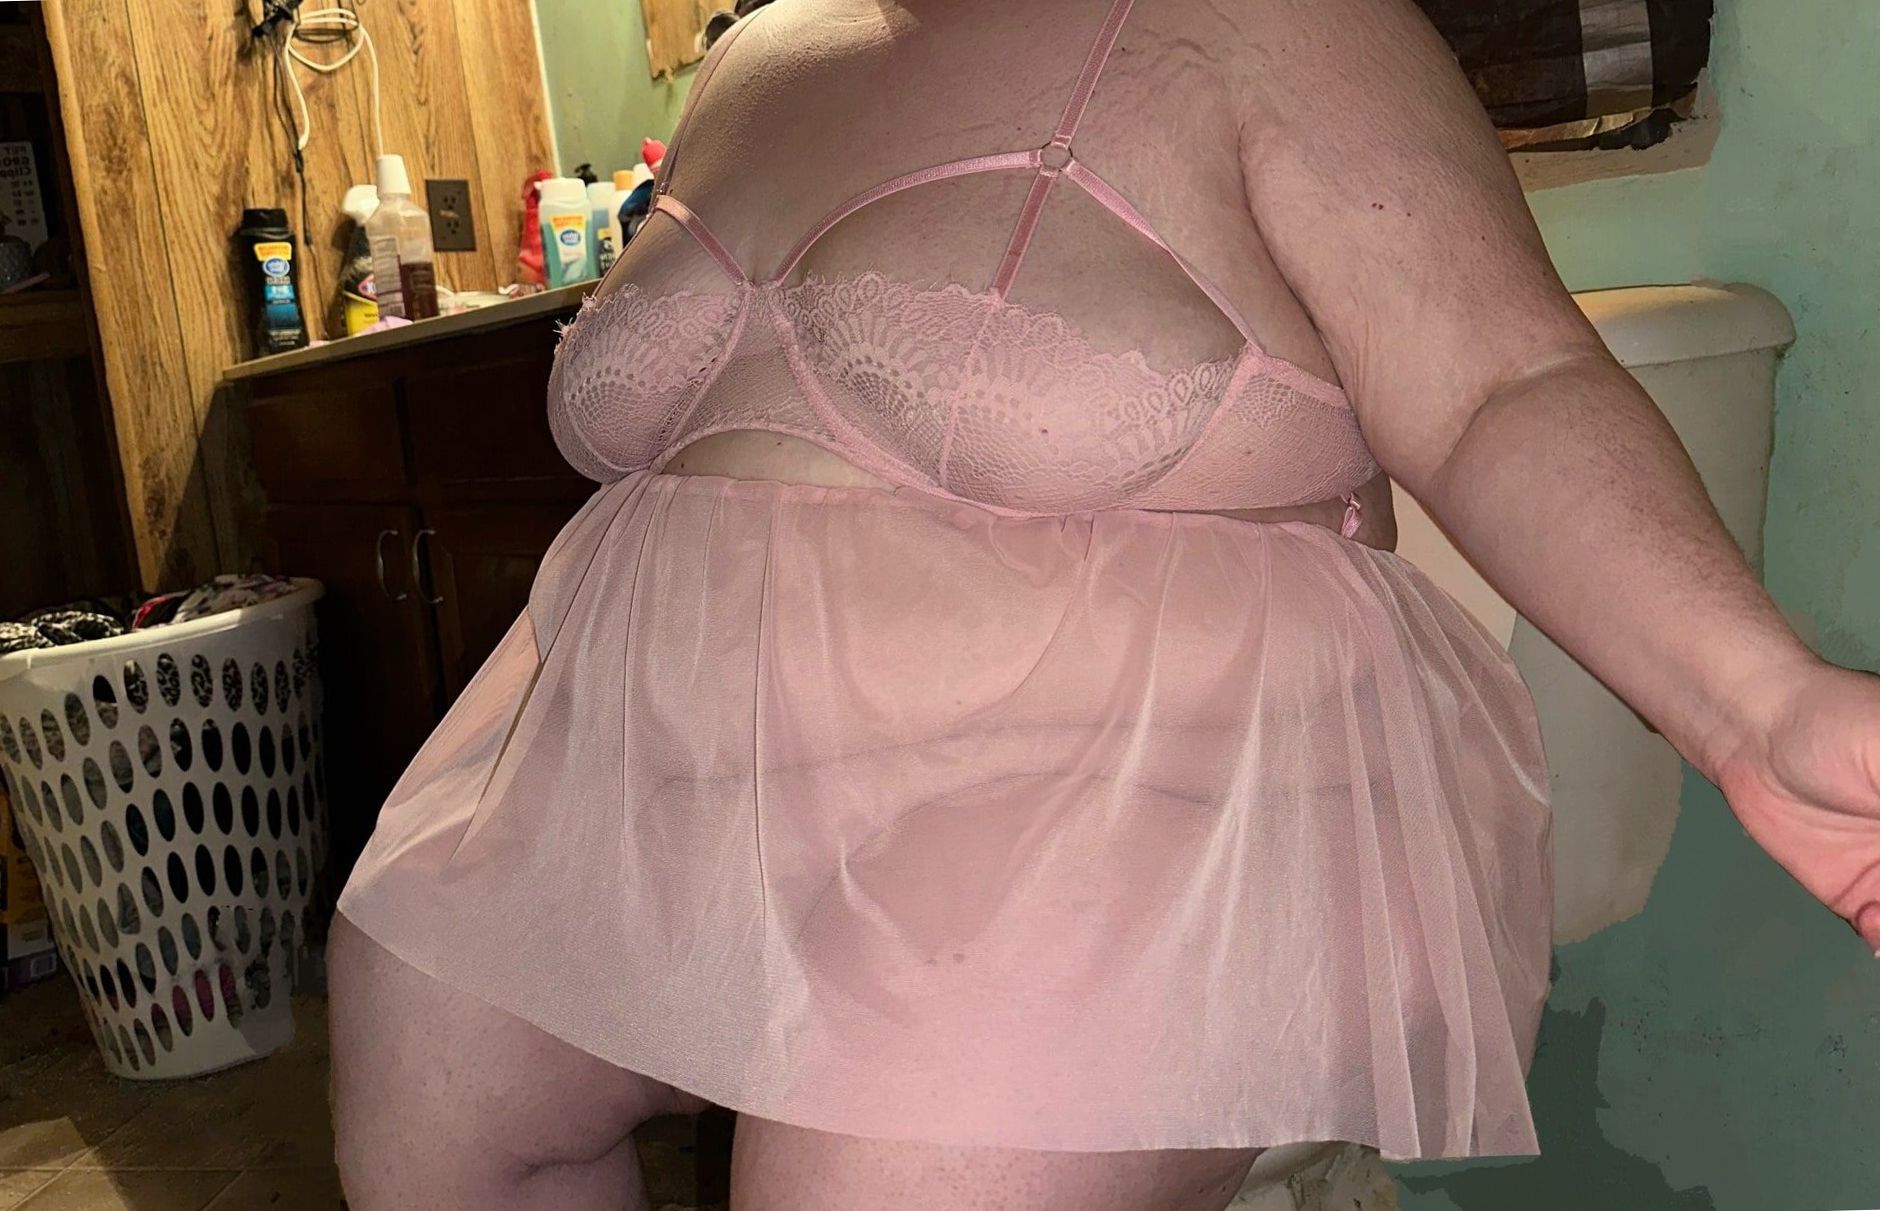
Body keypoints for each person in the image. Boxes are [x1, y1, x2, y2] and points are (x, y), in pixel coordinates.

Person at [328, 0, 1880, 1206]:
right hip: (715, 811)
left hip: (1164, 813)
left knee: (895, 1160)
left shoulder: (1264, 22)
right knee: (430, 1044)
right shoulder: (756, 54)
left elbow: (1501, 387)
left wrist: (1758, 704)